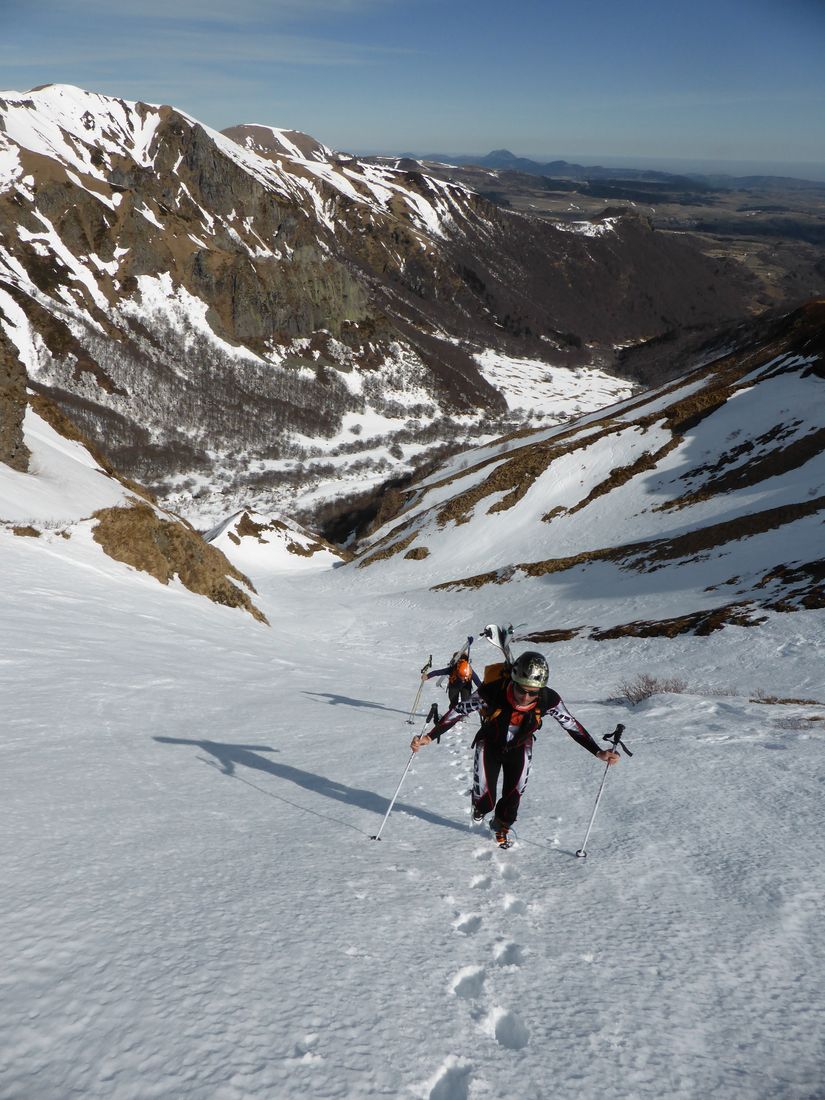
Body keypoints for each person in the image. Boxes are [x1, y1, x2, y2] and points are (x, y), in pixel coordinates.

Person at [411, 650, 619, 846]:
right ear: (513, 681)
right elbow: (458, 711)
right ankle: (480, 810)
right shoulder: (492, 691)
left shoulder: (548, 699)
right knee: (485, 801)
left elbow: (571, 725)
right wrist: (429, 736)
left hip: (520, 748)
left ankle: (501, 826)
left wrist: (598, 751)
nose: (525, 697)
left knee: (513, 798)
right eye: (521, 689)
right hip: (490, 745)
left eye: (533, 692)